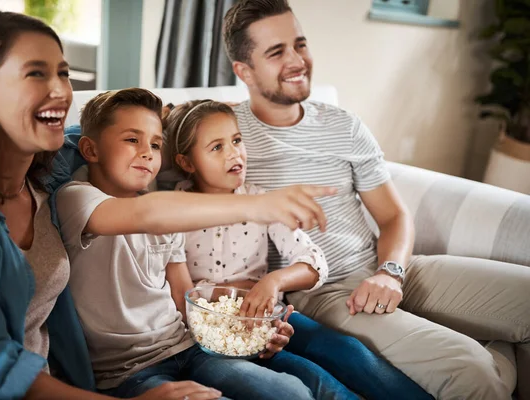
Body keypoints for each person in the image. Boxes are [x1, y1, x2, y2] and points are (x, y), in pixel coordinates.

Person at [0, 9, 329, 400]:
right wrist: (257, 206)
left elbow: (97, 136)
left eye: (64, 73)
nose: (60, 90)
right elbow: (143, 209)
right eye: (36, 73)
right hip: (101, 376)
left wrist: (240, 331)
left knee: (291, 388)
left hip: (169, 348)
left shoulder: (43, 176)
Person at [212, 1, 530, 399]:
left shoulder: (343, 124)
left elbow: (395, 215)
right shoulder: (224, 137)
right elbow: (138, 130)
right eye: (276, 52)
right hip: (326, 291)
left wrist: (390, 271)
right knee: (470, 370)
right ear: (243, 71)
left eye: (300, 44)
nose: (297, 60)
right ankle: (490, 356)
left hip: (390, 268)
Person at [55, 88, 335, 399]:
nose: (148, 152)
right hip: (130, 371)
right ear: (90, 150)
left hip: (189, 347)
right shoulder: (75, 198)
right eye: (132, 140)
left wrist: (246, 335)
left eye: (156, 144)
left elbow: (182, 296)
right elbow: (147, 215)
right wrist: (257, 206)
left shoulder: (167, 212)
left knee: (291, 392)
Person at [165, 98, 433, 400]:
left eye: (237, 140)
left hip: (271, 317)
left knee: (348, 351)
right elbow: (180, 294)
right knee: (315, 380)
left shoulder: (263, 202)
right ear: (187, 163)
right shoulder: (172, 213)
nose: (234, 153)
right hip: (214, 333)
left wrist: (272, 282)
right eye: (217, 147)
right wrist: (229, 292)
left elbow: (313, 261)